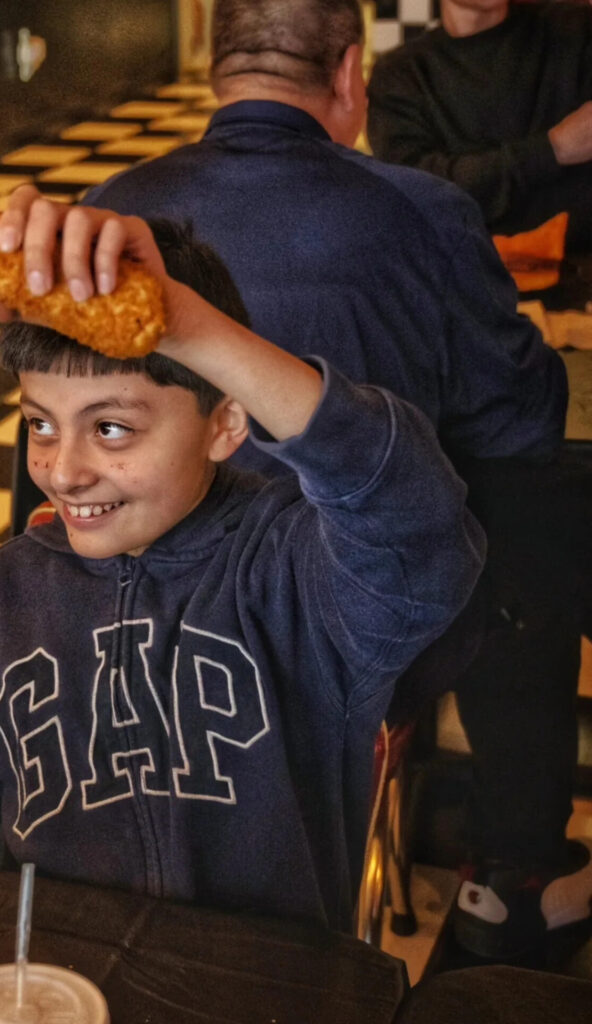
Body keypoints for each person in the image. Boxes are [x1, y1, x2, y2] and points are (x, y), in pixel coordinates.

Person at [71, 0, 590, 962]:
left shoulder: (108, 214)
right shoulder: (425, 210)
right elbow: (521, 421)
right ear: (350, 74)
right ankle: (514, 876)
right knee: (525, 555)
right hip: (360, 629)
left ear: (219, 70)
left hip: (153, 619)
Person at [0, 207, 484, 934]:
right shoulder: (7, 592)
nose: (63, 470)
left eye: (112, 427)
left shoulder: (295, 572)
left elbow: (416, 523)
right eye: (40, 423)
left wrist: (190, 328)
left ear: (225, 424)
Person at [367, 0, 592, 252]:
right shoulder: (400, 75)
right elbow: (417, 196)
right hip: (467, 281)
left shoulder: (575, 27)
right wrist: (553, 149)